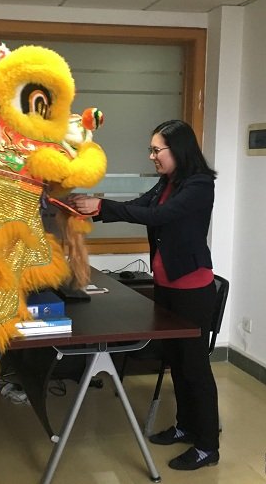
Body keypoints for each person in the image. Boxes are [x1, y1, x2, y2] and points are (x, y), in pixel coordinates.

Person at [71, 119, 220, 471]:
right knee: (176, 362)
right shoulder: (169, 181)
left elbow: (159, 215)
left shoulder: (199, 185)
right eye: (150, 150)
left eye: (156, 150)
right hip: (167, 285)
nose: (152, 156)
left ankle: (207, 445)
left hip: (192, 289)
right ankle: (185, 425)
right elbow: (141, 204)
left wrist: (101, 206)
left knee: (194, 368)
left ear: (178, 149)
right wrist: (94, 207)